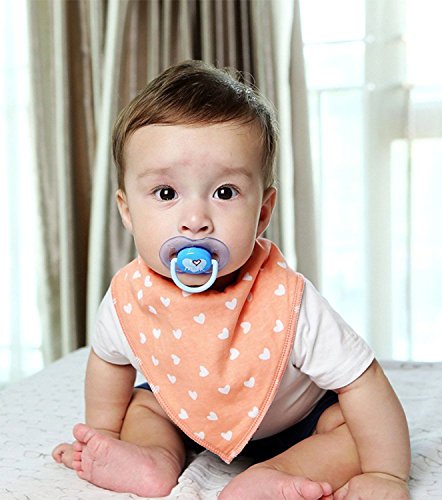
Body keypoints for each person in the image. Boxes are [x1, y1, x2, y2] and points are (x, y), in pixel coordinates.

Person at [52, 60, 410, 499]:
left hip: (295, 424)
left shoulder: (288, 301)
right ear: (128, 211)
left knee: (349, 429)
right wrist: (105, 434)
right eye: (166, 193)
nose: (196, 220)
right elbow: (109, 361)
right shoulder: (129, 297)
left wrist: (386, 473)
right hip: (183, 414)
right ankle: (152, 459)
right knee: (144, 406)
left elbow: (361, 378)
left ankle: (271, 474)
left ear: (262, 212)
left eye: (224, 193)